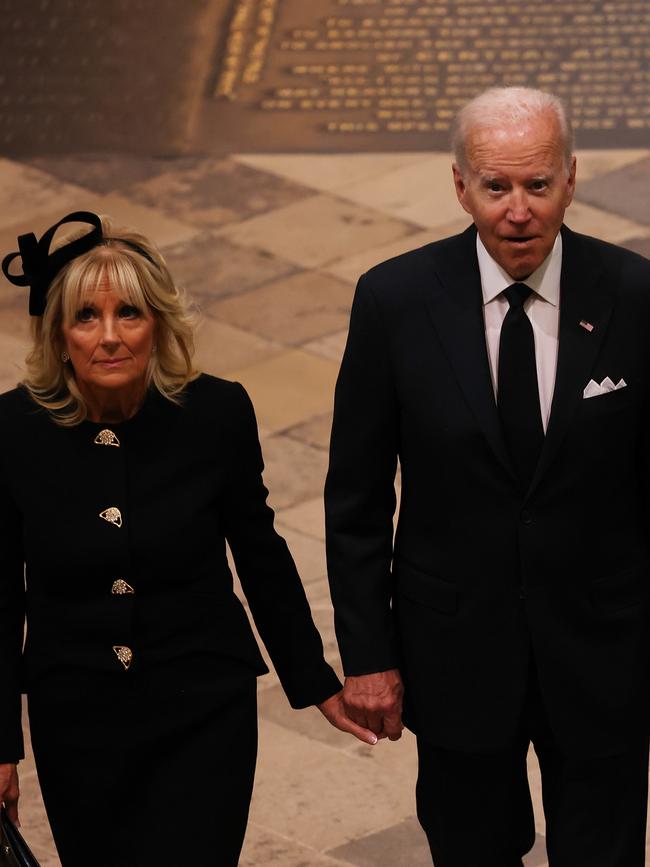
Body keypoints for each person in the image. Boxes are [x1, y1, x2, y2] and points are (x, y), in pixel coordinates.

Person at [325, 86, 650, 866]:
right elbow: (357, 496)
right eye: (496, 186)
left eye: (538, 185)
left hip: (603, 651)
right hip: (456, 653)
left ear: (571, 179)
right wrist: (369, 653)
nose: (518, 210)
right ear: (460, 183)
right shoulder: (395, 300)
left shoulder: (637, 296)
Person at [0, 211, 376, 867]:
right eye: (87, 316)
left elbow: (259, 554)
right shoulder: (12, 429)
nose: (110, 336)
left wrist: (316, 680)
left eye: (131, 314)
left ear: (161, 325)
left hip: (202, 704)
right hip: (76, 713)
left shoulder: (216, 413)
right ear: (59, 335)